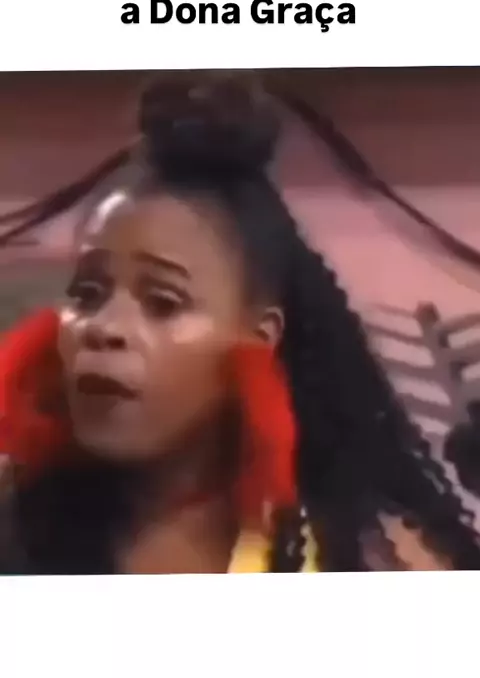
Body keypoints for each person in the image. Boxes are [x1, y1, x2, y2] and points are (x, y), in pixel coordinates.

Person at [0, 79, 479, 574]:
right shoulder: (16, 527)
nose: (104, 329)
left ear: (259, 336)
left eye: (162, 303)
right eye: (87, 294)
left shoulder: (372, 559)